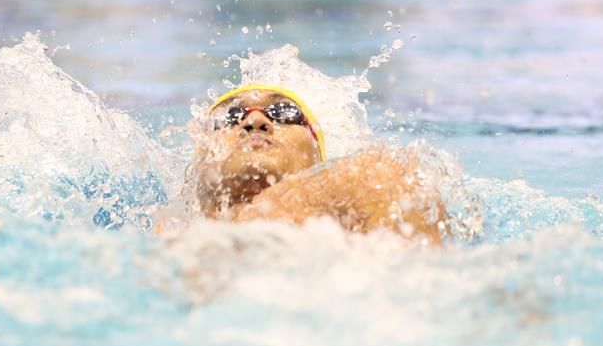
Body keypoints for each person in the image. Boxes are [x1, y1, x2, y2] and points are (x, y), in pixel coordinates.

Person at [186, 84, 449, 245]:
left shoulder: (363, 179)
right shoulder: (169, 224)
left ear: (317, 153)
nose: (254, 121)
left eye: (283, 112)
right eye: (229, 117)